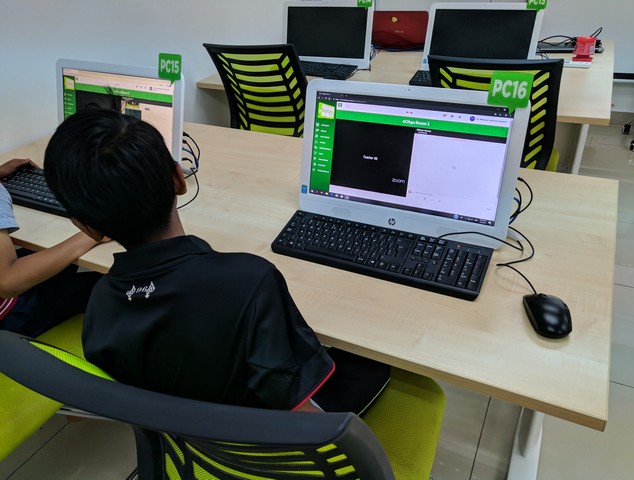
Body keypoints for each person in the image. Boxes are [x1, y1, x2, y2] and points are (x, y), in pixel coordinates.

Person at [44, 110, 389, 413]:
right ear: (179, 179)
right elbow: (300, 415)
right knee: (374, 364)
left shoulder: (100, 308)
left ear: (85, 226)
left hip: (189, 446)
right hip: (269, 444)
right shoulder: (250, 281)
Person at [0, 158, 104, 337]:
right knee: (102, 283)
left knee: (57, 256)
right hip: (8, 318)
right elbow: (7, 282)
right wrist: (93, 234)